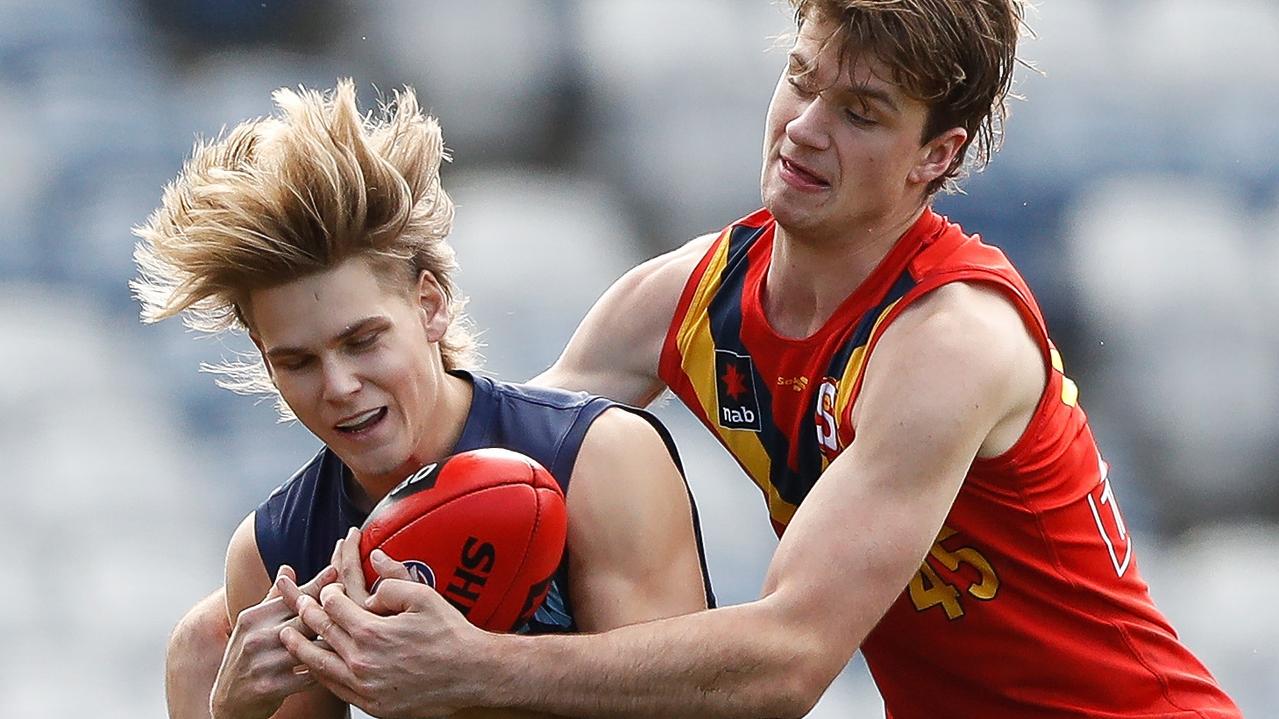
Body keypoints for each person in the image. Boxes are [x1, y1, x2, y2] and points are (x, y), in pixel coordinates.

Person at [273, 2, 1243, 718]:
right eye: (802, 78)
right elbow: (482, 474)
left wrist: (476, 666)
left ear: (933, 156)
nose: (805, 127)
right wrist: (281, 620)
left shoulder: (949, 341)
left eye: (860, 112)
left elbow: (787, 661)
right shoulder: (681, 299)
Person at [135, 79, 714, 719]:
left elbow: (686, 706)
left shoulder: (599, 460)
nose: (339, 386)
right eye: (297, 362)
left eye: (362, 341)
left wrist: (464, 676)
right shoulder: (277, 554)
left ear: (429, 306)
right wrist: (233, 712)